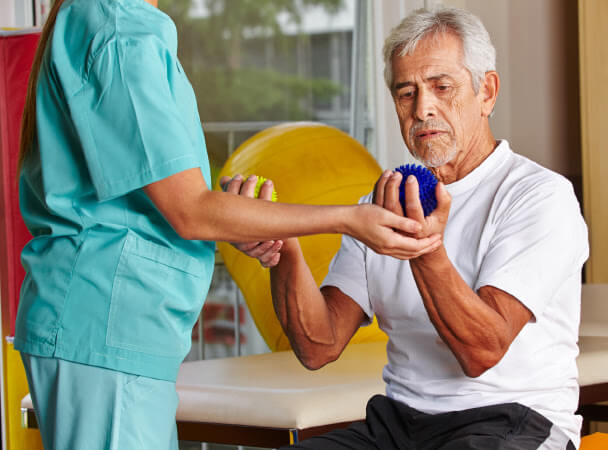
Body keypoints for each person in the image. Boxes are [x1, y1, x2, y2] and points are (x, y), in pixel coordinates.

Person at [13, 1, 439, 449]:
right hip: (104, 324)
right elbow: (190, 211)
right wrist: (351, 219)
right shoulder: (120, 29)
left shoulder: (116, 24)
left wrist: (246, 222)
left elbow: (169, 206)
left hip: (113, 328)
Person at [242, 6, 589, 450]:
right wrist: (283, 247)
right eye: (406, 93)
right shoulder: (377, 204)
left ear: (487, 92)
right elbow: (318, 345)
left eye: (442, 87)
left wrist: (423, 246)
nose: (423, 108)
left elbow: (482, 351)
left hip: (513, 421)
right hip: (400, 425)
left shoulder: (540, 196)